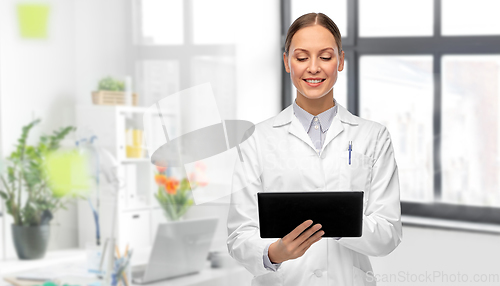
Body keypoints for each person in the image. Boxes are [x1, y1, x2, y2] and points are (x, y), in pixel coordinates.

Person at [227, 12, 402, 286]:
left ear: (340, 60)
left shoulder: (373, 136)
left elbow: (388, 234)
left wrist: (338, 221)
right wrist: (275, 253)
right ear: (287, 62)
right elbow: (239, 234)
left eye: (325, 56)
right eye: (301, 57)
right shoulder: (257, 139)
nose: (313, 68)